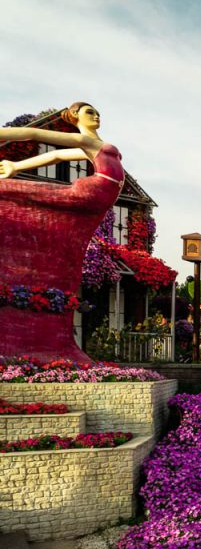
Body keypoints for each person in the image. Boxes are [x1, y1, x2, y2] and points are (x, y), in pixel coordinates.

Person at [0, 102, 125, 362]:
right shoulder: (84, 139)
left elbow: (56, 157)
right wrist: (15, 167)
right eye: (89, 112)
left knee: (63, 234)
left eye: (98, 112)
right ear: (75, 118)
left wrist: (17, 167)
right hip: (96, 190)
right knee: (32, 194)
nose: (96, 116)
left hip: (100, 198)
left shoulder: (91, 144)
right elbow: (34, 135)